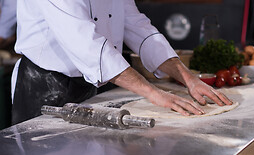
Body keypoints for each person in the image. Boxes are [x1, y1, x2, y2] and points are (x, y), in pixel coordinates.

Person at [11, 0, 232, 124]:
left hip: (93, 84)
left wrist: (188, 78)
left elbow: (138, 27)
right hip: (45, 85)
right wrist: (154, 94)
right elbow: (88, 47)